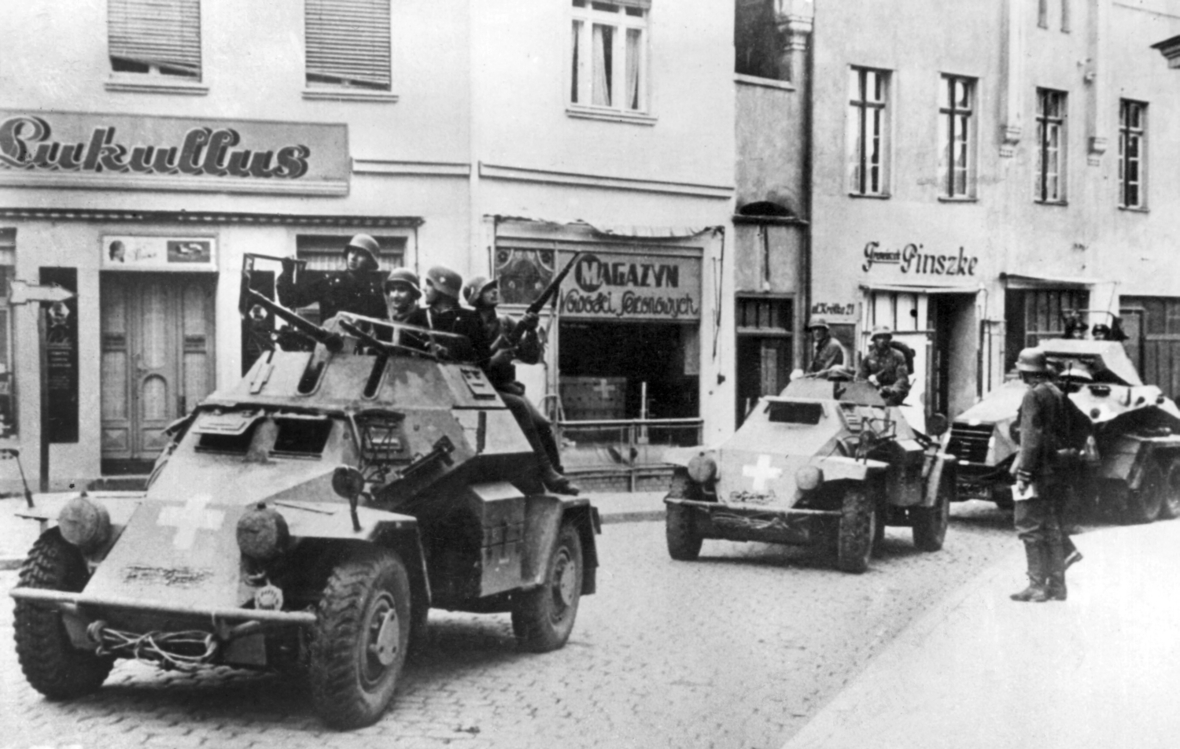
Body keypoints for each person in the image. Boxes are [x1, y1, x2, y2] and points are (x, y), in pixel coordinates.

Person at [461, 275, 579, 496]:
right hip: (480, 388)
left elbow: (532, 357)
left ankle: (557, 475)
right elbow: (468, 361)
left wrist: (531, 330)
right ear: (475, 296)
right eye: (488, 289)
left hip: (505, 386)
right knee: (518, 406)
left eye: (495, 287)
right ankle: (546, 472)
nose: (495, 291)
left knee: (542, 424)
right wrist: (495, 358)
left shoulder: (506, 322)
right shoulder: (468, 324)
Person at [1009, 347, 1071, 603]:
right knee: (1050, 526)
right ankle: (1057, 585)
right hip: (1053, 469)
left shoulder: (1032, 396)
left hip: (1036, 469)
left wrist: (1024, 472)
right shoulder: (1055, 392)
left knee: (1028, 526)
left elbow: (1030, 438)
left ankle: (1036, 585)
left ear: (1026, 371)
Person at [276, 234, 388, 323]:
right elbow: (290, 300)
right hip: (332, 347)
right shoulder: (330, 283)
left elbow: (383, 329)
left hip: (361, 349)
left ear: (370, 261)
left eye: (361, 254)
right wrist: (287, 273)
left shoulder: (374, 291)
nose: (353, 257)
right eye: (352, 251)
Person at [858, 326, 910, 406]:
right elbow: (861, 378)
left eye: (885, 337)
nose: (882, 340)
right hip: (873, 391)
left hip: (893, 393)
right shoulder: (868, 357)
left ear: (889, 339)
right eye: (879, 337)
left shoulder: (898, 356)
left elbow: (902, 379)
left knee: (885, 403)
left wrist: (891, 390)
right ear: (874, 340)